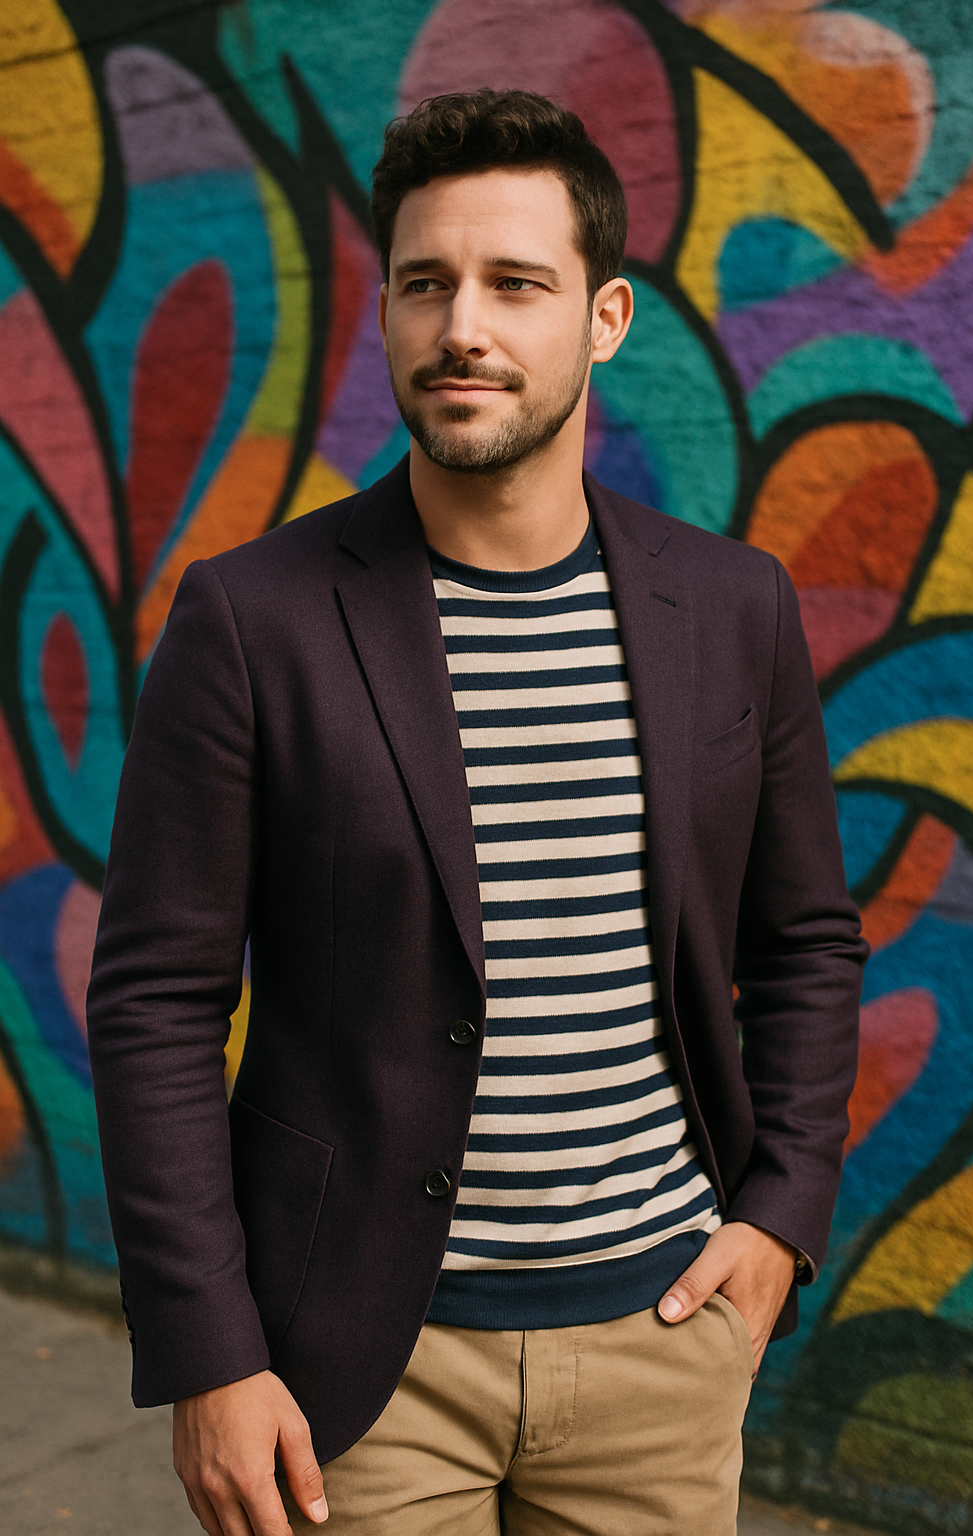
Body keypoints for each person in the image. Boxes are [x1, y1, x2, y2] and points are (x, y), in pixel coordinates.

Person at [87, 89, 867, 1536]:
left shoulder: (734, 606)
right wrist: (211, 1353)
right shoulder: (252, 619)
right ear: (384, 313)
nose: (465, 327)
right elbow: (153, 1001)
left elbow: (808, 935)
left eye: (518, 283)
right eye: (426, 283)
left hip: (664, 1342)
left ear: (608, 317)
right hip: (358, 1371)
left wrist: (781, 1213)